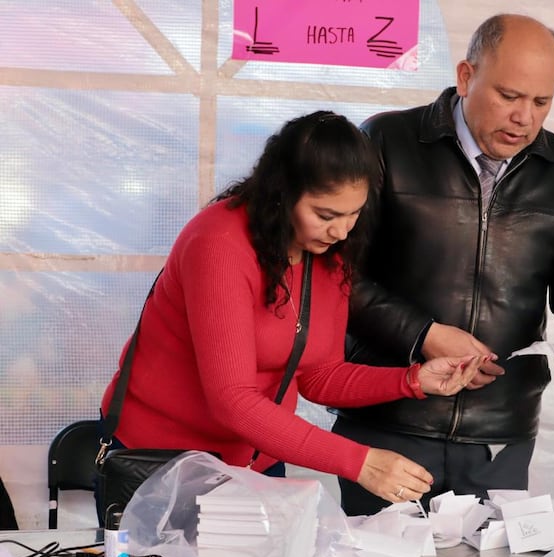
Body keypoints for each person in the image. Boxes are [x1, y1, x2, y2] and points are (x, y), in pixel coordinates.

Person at [100, 112, 484, 506]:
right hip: (161, 466)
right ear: (281, 192)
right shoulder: (218, 244)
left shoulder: (330, 252)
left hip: (255, 462)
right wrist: (360, 461)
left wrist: (413, 380)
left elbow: (320, 376)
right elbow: (232, 400)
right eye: (325, 215)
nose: (341, 231)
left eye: (354, 214)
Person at [334, 12, 554, 519]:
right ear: (466, 77)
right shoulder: (387, 143)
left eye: (541, 102)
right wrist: (425, 334)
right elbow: (339, 276)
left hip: (499, 435)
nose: (525, 118)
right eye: (509, 97)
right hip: (387, 419)